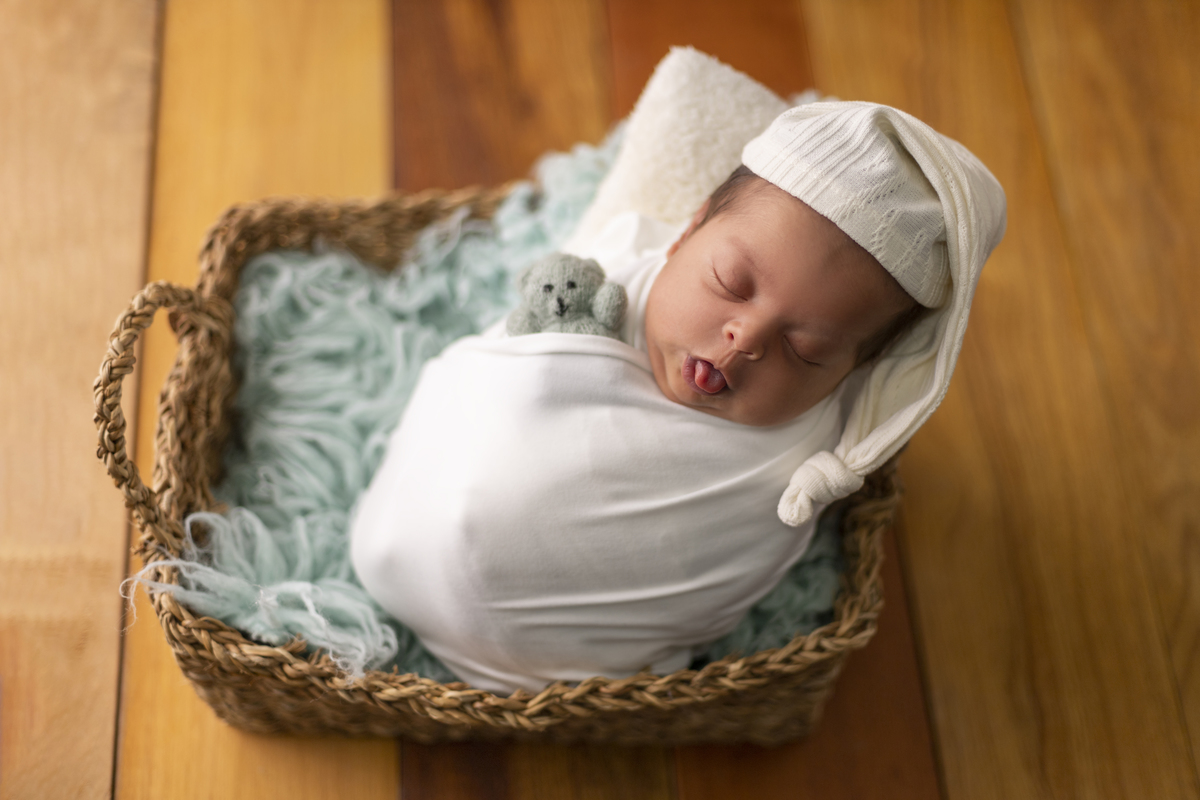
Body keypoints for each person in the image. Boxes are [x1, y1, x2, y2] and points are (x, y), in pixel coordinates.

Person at [350, 101, 1006, 694]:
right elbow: (504, 369)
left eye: (805, 349)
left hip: (563, 662)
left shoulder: (803, 457)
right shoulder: (622, 273)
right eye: (729, 280)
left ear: (858, 371)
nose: (744, 338)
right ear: (687, 231)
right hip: (402, 536)